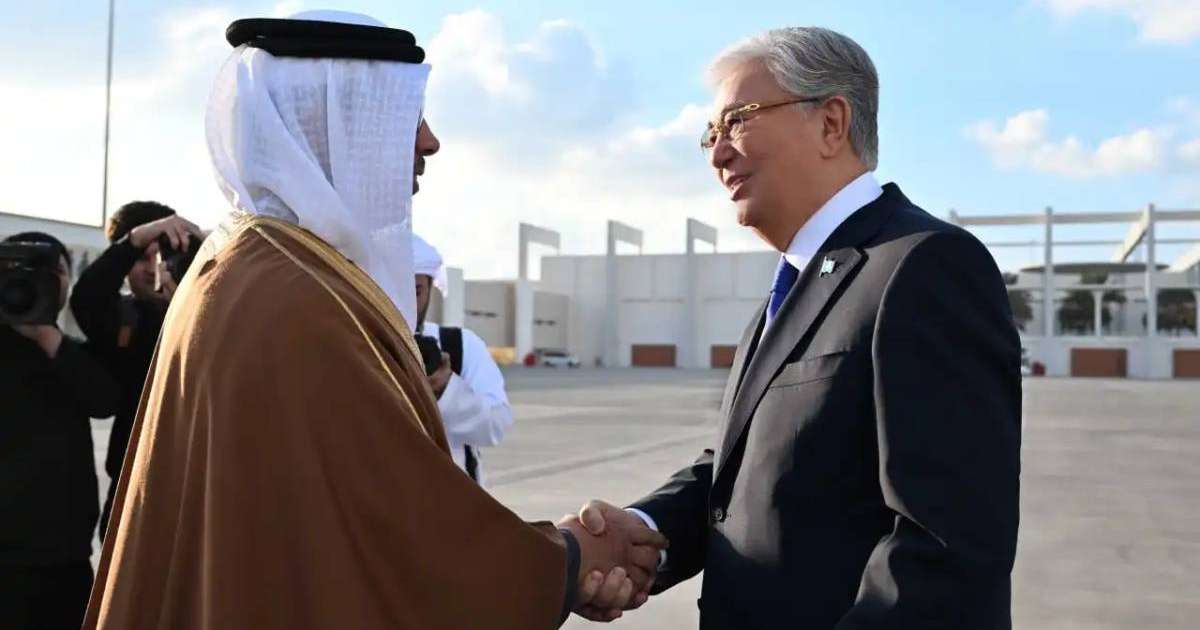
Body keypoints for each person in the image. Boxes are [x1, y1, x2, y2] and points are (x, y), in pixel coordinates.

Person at [83, 11, 665, 630]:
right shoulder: (295, 299)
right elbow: (400, 540)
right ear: (334, 125)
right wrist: (569, 558)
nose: (429, 142)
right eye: (406, 117)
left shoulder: (254, 265)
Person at [572, 27, 1022, 628]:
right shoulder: (795, 287)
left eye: (738, 120)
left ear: (831, 122)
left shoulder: (923, 265)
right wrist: (646, 532)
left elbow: (946, 552)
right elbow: (753, 468)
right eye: (711, 133)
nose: (717, 153)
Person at [0, 232, 119, 630]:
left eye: (52, 273)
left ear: (66, 281)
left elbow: (104, 400)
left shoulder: (68, 351)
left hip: (66, 558)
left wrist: (46, 336)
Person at [69, 200, 203, 541]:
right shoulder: (125, 319)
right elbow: (87, 300)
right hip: (133, 492)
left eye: (163, 257)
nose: (153, 269)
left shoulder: (209, 313)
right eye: (142, 257)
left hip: (201, 491)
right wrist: (134, 240)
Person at [412, 233, 512, 485]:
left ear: (430, 289)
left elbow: (495, 426)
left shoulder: (459, 345)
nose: (404, 301)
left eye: (415, 290)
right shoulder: (357, 343)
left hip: (456, 510)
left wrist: (447, 390)